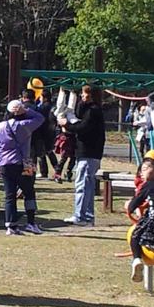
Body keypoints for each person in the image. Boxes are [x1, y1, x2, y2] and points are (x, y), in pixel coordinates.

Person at [0, 99, 44, 236]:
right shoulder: (25, 125)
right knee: (29, 192)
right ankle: (31, 222)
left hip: (4, 163)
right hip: (23, 162)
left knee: (9, 195)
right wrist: (26, 110)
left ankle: (10, 225)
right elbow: (40, 118)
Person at [58, 85, 105, 227]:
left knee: (82, 185)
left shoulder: (93, 111)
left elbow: (83, 127)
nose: (82, 97)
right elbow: (79, 113)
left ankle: (80, 216)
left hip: (89, 152)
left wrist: (66, 125)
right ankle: (87, 216)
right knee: (88, 185)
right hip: (90, 153)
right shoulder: (90, 109)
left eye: (84, 95)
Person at [31, 89, 59, 179]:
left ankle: (45, 171)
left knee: (42, 152)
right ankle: (56, 169)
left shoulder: (43, 107)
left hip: (43, 132)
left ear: (44, 98)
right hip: (51, 131)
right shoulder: (52, 106)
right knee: (49, 151)